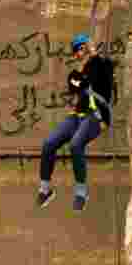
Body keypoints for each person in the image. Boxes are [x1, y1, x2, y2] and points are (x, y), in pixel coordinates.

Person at [36, 33, 113, 212]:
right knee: (49, 144)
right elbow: (77, 85)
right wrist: (85, 71)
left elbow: (104, 77)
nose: (79, 53)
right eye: (77, 50)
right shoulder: (75, 74)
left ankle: (81, 192)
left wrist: (94, 57)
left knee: (76, 145)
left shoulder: (103, 65)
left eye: (81, 48)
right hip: (77, 115)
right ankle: (45, 189)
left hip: (96, 116)